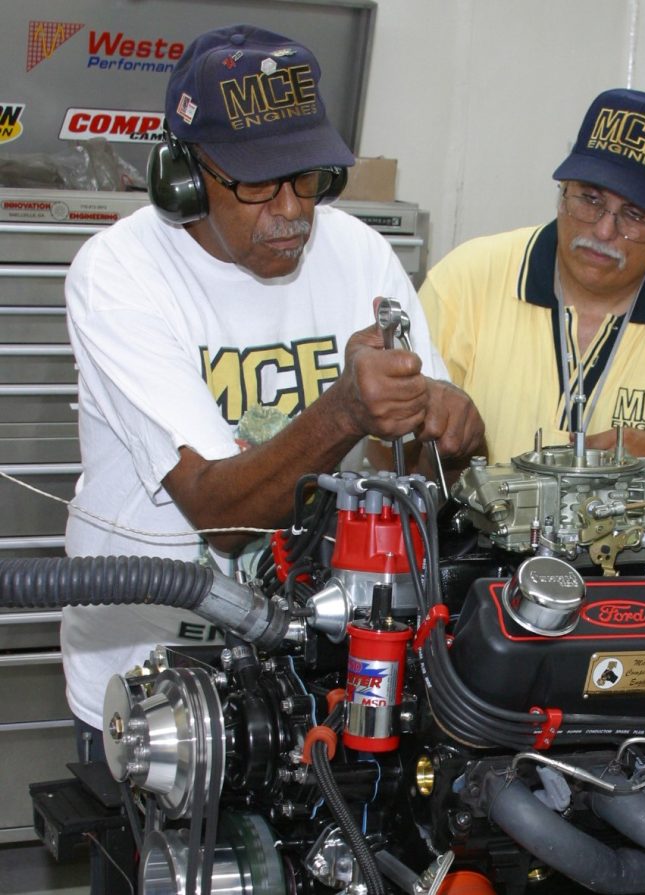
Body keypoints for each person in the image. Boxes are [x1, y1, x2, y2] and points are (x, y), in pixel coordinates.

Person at [61, 24, 483, 765]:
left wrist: (446, 430)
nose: (291, 210)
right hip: (158, 691)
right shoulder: (120, 274)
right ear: (185, 177)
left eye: (309, 177)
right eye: (257, 183)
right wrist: (346, 409)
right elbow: (218, 513)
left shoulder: (356, 252)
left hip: (321, 675)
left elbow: (417, 476)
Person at [418, 88, 645, 519]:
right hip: (473, 575)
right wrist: (443, 446)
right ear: (562, 188)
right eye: (589, 200)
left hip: (639, 582)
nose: (602, 231)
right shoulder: (466, 279)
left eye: (634, 215)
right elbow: (390, 450)